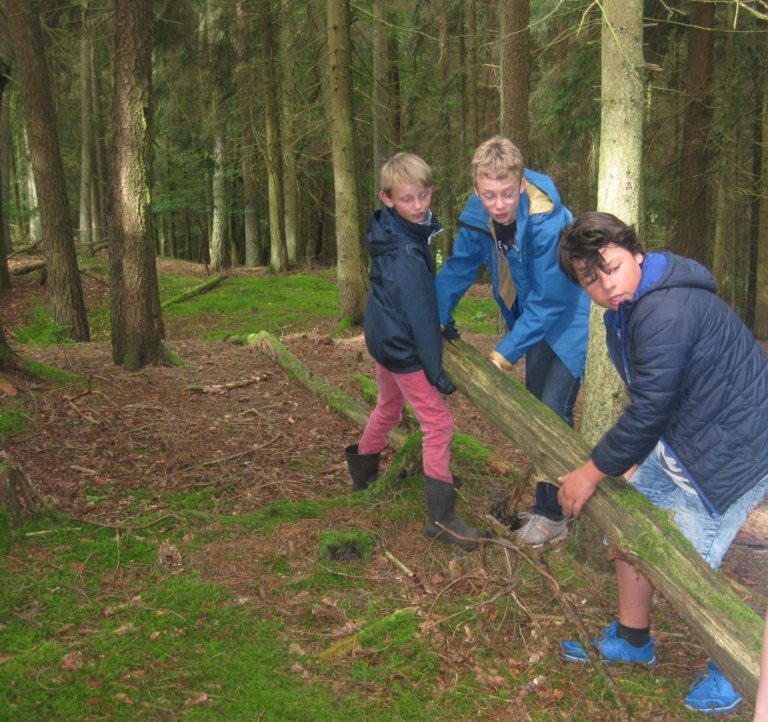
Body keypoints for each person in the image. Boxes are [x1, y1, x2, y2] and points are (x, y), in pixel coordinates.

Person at [556, 211, 768, 715]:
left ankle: (742, 663)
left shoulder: (665, 308)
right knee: (631, 528)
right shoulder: (633, 305)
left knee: (689, 561)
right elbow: (658, 396)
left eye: (611, 268)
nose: (606, 286)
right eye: (591, 281)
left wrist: (593, 470)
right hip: (688, 438)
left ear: (636, 254)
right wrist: (633, 458)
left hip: (733, 452)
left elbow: (649, 406)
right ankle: (633, 638)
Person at [435, 136, 590, 546]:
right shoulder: (477, 214)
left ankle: (552, 516)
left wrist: (501, 356)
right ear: (476, 189)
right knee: (535, 407)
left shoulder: (547, 219)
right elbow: (458, 268)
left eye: (506, 194)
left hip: (567, 318)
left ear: (521, 185)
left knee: (553, 410)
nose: (499, 204)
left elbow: (551, 300)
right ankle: (552, 502)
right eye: (489, 195)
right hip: (530, 319)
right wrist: (430, 321)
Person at [344, 152, 489, 551]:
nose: (419, 205)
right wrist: (435, 370)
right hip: (402, 346)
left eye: (424, 195)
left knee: (388, 407)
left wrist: (446, 322)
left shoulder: (399, 230)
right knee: (439, 424)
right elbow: (420, 316)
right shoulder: (405, 251)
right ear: (387, 198)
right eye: (408, 199)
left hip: (383, 337)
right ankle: (441, 519)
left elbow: (421, 300)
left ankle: (364, 476)